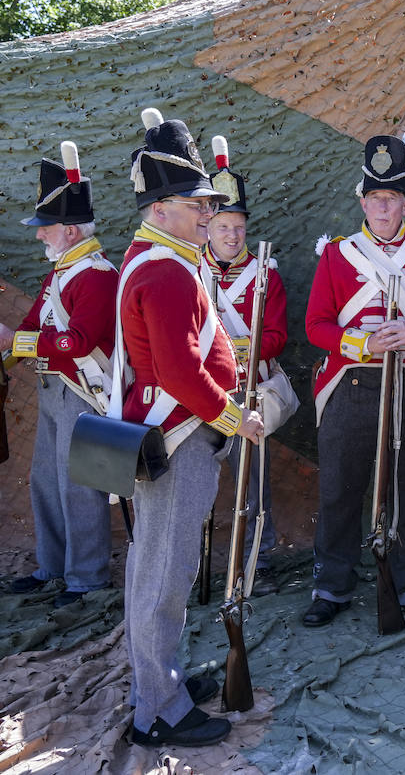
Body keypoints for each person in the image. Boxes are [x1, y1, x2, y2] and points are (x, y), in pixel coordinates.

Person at [117, 108, 264, 747]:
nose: (207, 213)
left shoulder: (161, 258)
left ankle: (162, 681)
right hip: (176, 435)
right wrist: (235, 416)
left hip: (170, 431)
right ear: (160, 209)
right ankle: (157, 709)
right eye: (194, 203)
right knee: (163, 574)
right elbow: (179, 371)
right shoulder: (167, 269)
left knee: (159, 568)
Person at [304, 130, 405, 627]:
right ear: (363, 201)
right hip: (351, 385)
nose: (381, 207)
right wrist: (364, 344)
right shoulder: (337, 254)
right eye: (374, 197)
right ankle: (331, 586)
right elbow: (317, 326)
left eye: (391, 198)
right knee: (339, 489)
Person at [0, 146, 117, 608]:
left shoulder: (96, 275)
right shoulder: (62, 272)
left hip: (83, 391)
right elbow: (36, 324)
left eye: (47, 227)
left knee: (79, 486)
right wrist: (1, 357)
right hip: (54, 389)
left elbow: (76, 342)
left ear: (71, 230)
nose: (41, 236)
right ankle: (53, 566)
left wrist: (12, 345)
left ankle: (86, 577)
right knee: (46, 480)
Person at [204, 137, 289, 596]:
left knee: (253, 486)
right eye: (222, 226)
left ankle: (260, 560)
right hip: (198, 393)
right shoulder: (190, 270)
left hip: (247, 392)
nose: (232, 235)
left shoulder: (264, 274)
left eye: (238, 226)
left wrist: (237, 349)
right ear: (208, 227)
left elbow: (277, 337)